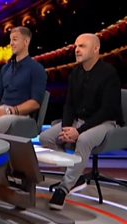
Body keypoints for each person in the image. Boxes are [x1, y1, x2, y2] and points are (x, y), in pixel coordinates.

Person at [39, 33, 123, 210]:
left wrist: (79, 130)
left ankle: (63, 188)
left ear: (96, 48)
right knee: (46, 138)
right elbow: (69, 104)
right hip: (79, 121)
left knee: (84, 140)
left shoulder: (109, 73)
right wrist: (67, 127)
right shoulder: (75, 73)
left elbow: (107, 110)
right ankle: (75, 178)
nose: (76, 49)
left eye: (82, 46)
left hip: (105, 123)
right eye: (75, 46)